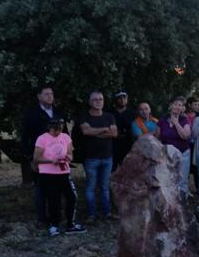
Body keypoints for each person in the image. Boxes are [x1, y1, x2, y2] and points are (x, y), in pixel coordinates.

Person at [33, 118, 86, 236]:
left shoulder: (66, 137)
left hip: (64, 172)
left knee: (72, 197)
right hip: (48, 174)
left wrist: (68, 157)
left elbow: (70, 154)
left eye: (60, 129)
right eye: (55, 130)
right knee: (53, 200)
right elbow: (37, 158)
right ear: (49, 127)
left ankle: (70, 224)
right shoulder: (42, 138)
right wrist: (51, 161)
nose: (57, 132)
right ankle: (54, 225)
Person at [22, 86, 66, 223]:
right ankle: (42, 219)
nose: (50, 96)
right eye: (46, 94)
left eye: (51, 94)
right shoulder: (30, 114)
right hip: (41, 159)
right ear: (39, 96)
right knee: (41, 190)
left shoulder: (59, 112)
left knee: (58, 189)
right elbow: (25, 137)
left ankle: (57, 217)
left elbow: (65, 136)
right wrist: (31, 159)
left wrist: (67, 154)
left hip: (59, 160)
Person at [80, 91, 117, 223]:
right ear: (90, 102)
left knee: (104, 186)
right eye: (95, 99)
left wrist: (94, 132)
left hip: (107, 157)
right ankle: (91, 214)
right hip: (91, 158)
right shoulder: (84, 116)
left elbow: (114, 134)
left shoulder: (109, 116)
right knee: (91, 186)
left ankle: (107, 213)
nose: (98, 101)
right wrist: (104, 129)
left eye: (100, 99)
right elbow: (85, 131)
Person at [158, 97, 192, 198]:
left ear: (182, 108)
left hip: (183, 153)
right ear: (170, 106)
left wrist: (176, 122)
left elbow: (185, 136)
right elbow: (158, 137)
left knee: (182, 179)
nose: (178, 107)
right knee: (168, 179)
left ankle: (182, 203)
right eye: (176, 104)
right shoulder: (163, 120)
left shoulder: (184, 120)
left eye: (180, 105)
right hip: (167, 154)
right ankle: (170, 203)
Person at [112, 90, 134, 171]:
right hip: (112, 146)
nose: (122, 99)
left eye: (124, 97)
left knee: (127, 171)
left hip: (127, 146)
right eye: (119, 97)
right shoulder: (110, 113)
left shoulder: (132, 114)